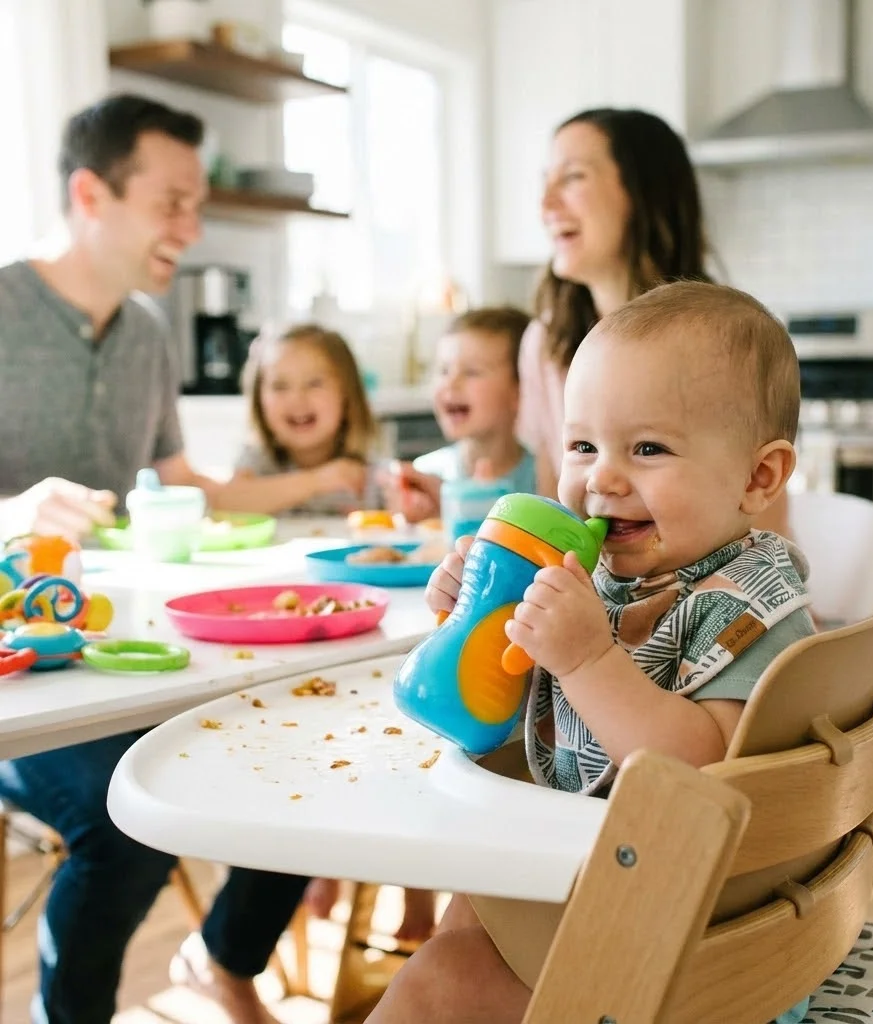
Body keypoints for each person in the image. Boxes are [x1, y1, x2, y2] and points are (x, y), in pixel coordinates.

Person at [366, 281, 816, 1023]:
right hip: (602, 883)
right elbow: (509, 719)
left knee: (438, 984)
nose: (601, 478)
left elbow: (703, 777)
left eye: (648, 448)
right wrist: (480, 618)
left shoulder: (748, 609)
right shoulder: (610, 579)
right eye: (582, 446)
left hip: (680, 945)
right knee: (465, 917)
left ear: (758, 478)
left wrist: (588, 662)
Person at [0, 94, 307, 1024]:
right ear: (93, 193)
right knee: (125, 820)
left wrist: (333, 476)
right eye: (172, 202)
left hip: (112, 650)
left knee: (286, 750)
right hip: (16, 675)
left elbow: (185, 483)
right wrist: (11, 512)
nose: (194, 226)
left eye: (197, 202)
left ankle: (220, 962)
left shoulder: (146, 334)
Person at [388, 107, 791, 535]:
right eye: (545, 182)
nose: (545, 204)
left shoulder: (724, 344)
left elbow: (761, 534)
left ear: (643, 192)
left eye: (573, 177)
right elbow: (556, 519)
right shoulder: (545, 345)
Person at [381, 307, 535, 521]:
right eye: (443, 370)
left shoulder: (544, 480)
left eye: (472, 371)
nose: (450, 383)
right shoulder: (426, 473)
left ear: (519, 391)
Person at [227, 323, 381, 515]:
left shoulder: (369, 464)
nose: (297, 400)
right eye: (280, 386)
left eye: (314, 384)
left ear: (347, 394)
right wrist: (319, 480)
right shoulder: (259, 458)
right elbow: (227, 503)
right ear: (259, 400)